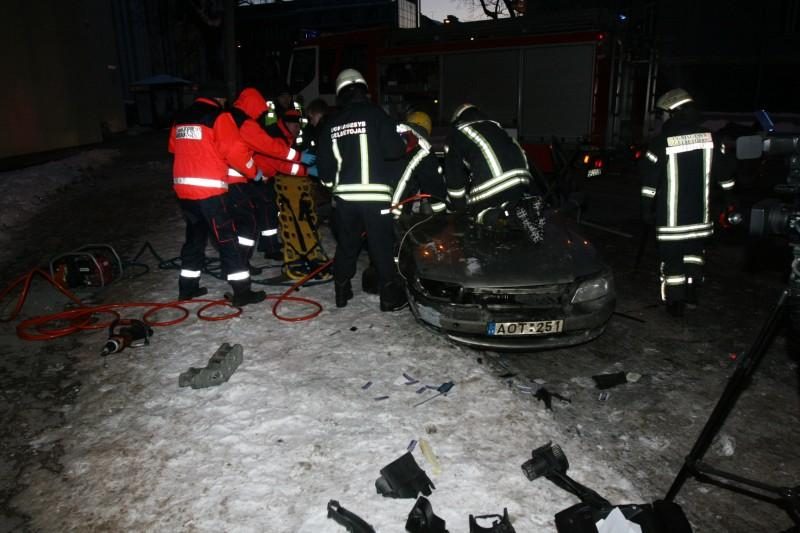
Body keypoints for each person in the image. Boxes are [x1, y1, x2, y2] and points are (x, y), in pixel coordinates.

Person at [316, 68, 410, 311]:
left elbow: (325, 166)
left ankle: (341, 290)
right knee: (380, 245)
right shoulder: (376, 114)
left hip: (345, 199)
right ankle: (388, 297)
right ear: (363, 89)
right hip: (376, 197)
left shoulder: (333, 122)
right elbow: (394, 151)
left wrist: (332, 187)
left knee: (347, 244)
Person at [639, 88, 736, 317]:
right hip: (700, 220)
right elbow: (726, 175)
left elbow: (649, 181)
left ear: (674, 113)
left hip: (672, 222)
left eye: (663, 114)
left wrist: (646, 209)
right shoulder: (711, 138)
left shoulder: (661, 142)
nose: (661, 118)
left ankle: (675, 306)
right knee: (694, 256)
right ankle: (692, 294)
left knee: (672, 264)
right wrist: (731, 200)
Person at [168, 82, 266, 307]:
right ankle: (242, 292)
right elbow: (234, 151)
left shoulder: (180, 118)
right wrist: (253, 171)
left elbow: (174, 147)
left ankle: (188, 288)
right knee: (227, 240)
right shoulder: (219, 117)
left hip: (184, 191)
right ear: (220, 100)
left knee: (194, 239)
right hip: (210, 191)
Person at [229, 87, 316, 262]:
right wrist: (304, 168)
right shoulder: (273, 134)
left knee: (263, 211)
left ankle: (262, 247)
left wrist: (299, 161)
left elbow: (282, 159)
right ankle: (256, 253)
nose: (297, 128)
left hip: (253, 176)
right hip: (251, 177)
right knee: (265, 209)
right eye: (294, 124)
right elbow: (279, 161)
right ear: (286, 123)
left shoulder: (281, 134)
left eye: (299, 125)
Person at [444, 103, 543, 241]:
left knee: (477, 213)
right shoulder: (496, 127)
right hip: (523, 181)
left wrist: (459, 208)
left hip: (495, 183)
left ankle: (507, 217)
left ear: (457, 120)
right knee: (507, 201)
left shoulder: (458, 133)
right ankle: (520, 211)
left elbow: (454, 177)